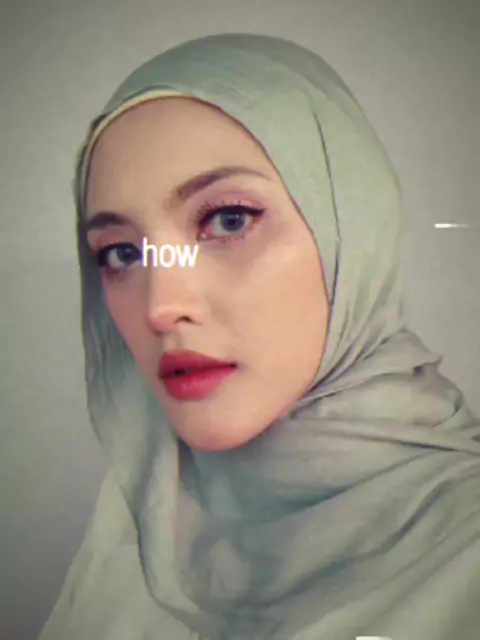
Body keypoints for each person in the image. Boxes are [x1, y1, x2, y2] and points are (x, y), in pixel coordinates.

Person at [39, 33, 480, 640]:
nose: (161, 307)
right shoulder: (142, 527)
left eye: (228, 220)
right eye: (122, 253)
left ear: (352, 232)